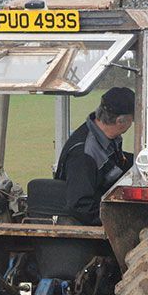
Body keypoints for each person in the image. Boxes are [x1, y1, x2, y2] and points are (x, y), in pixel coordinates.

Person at [53, 86, 135, 225]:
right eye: (133, 120)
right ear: (120, 121)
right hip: (84, 227)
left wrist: (142, 161)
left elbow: (117, 162)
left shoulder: (107, 137)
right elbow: (80, 206)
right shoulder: (83, 155)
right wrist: (120, 221)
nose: (132, 124)